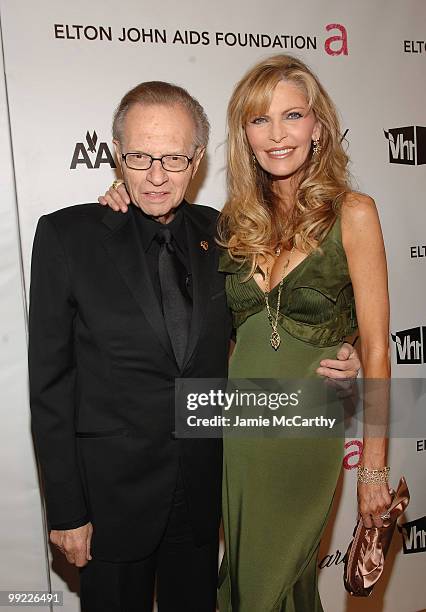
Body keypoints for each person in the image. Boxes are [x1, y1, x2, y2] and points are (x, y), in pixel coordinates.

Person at [31, 79, 359, 612]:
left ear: (199, 158)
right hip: (111, 503)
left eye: (174, 159)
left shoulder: (228, 234)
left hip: (204, 494)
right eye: (139, 157)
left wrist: (345, 350)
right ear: (117, 154)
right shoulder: (68, 238)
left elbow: (275, 318)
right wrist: (67, 511)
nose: (156, 176)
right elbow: (49, 386)